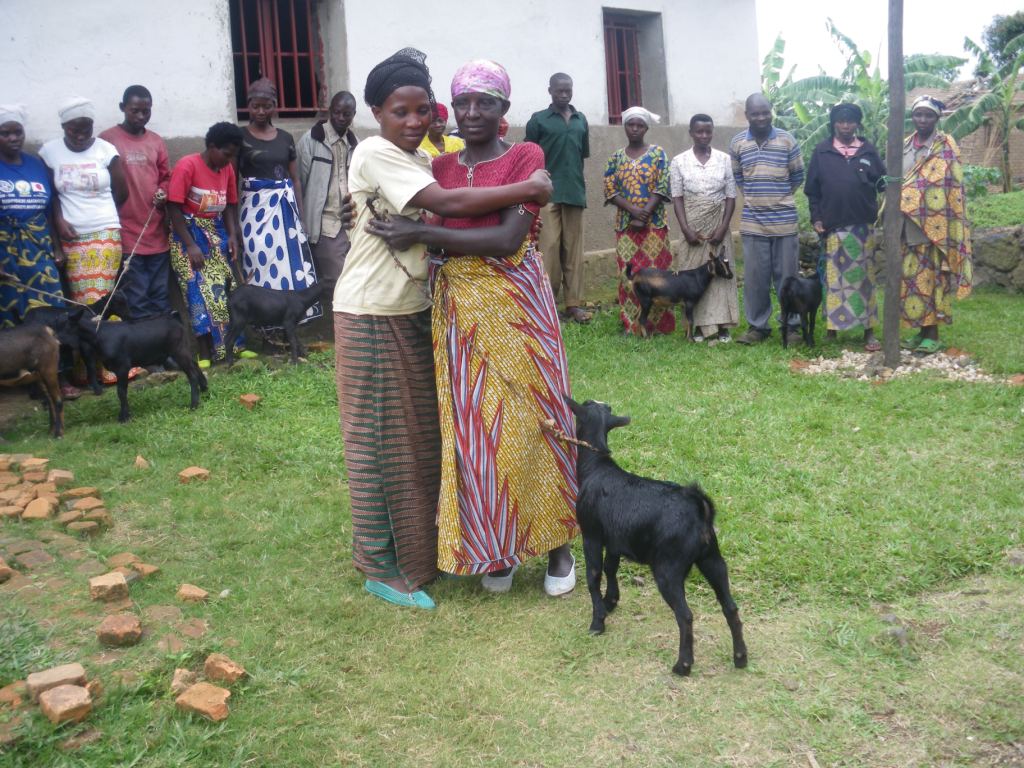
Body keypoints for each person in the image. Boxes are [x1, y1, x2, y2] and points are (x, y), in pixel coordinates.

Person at [333, 47, 551, 610]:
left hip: (415, 309)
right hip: (371, 309)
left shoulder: (426, 157)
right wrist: (529, 189)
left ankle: (423, 556)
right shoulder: (380, 153)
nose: (413, 122)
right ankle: (385, 568)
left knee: (422, 439)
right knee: (381, 441)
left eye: (422, 111)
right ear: (376, 113)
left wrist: (425, 234)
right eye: (399, 111)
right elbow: (450, 203)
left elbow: (456, 219)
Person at [39, 97, 128, 385]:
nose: (80, 135)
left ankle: (109, 364)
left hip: (104, 232)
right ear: (63, 127)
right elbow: (49, 197)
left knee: (98, 300)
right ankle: (84, 368)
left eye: (86, 128)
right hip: (71, 237)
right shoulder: (50, 152)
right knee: (80, 304)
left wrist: (99, 216)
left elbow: (121, 191)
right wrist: (60, 221)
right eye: (73, 130)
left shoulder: (106, 150)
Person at [0, 105, 80, 397]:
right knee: (10, 315)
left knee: (51, 312)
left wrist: (57, 247)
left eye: (17, 132)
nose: (12, 138)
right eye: (5, 133)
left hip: (37, 245)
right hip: (5, 249)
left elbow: (50, 209)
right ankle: (18, 381)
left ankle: (57, 377)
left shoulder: (35, 165)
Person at [804, 103, 886, 352]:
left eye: (851, 121)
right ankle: (832, 331)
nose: (846, 125)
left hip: (862, 227)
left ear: (857, 123)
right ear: (833, 124)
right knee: (835, 280)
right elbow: (813, 192)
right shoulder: (822, 152)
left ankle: (868, 332)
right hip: (833, 227)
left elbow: (883, 183)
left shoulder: (868, 151)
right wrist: (817, 218)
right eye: (840, 121)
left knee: (864, 279)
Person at [238, 78, 320, 327]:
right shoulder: (239, 137)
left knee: (285, 266)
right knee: (259, 264)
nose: (261, 112)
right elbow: (233, 181)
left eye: (266, 106)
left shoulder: (285, 138)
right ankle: (264, 330)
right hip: (254, 213)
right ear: (248, 106)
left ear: (274, 106)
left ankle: (286, 327)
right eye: (255, 106)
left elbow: (295, 179)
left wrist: (300, 217)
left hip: (284, 214)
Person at [166, 122, 247, 367]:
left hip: (216, 234)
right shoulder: (187, 165)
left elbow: (231, 204)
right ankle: (204, 353)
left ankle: (232, 347)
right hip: (187, 237)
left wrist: (232, 236)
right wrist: (190, 245)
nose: (229, 160)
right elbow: (173, 206)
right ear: (212, 147)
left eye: (233, 155)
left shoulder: (227, 170)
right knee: (197, 293)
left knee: (224, 289)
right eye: (226, 154)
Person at [898, 95, 972, 355]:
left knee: (932, 279)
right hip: (907, 225)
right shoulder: (905, 145)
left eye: (928, 115)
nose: (922, 119)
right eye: (918, 114)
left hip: (935, 228)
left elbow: (951, 184)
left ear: (937, 118)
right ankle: (921, 330)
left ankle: (933, 334)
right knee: (912, 281)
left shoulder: (945, 145)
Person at [729, 93, 804, 344]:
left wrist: (778, 199)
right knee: (755, 279)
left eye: (765, 112)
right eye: (755, 113)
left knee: (788, 279)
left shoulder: (786, 139)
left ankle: (792, 326)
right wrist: (756, 199)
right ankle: (757, 327)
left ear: (771, 111)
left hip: (784, 222)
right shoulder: (738, 143)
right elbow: (739, 178)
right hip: (752, 223)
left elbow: (797, 176)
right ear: (747, 115)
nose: (761, 117)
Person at [99, 85, 172, 319]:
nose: (141, 116)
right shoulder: (107, 140)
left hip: (156, 232)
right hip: (127, 233)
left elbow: (166, 177)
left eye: (146, 111)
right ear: (123, 108)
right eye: (135, 111)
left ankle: (163, 346)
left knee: (160, 294)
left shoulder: (156, 141)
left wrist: (163, 192)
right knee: (136, 296)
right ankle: (144, 349)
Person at [525, 72, 591, 323]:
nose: (564, 94)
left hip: (574, 191)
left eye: (568, 90)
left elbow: (581, 154)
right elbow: (529, 157)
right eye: (559, 90)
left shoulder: (580, 119)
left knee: (574, 251)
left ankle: (574, 304)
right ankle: (548, 305)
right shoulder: (538, 120)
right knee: (549, 250)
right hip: (547, 195)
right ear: (550, 91)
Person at [603, 106, 673, 335]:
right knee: (629, 275)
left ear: (646, 128)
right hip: (626, 226)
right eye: (630, 124)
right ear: (625, 127)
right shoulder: (615, 157)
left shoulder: (658, 154)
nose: (635, 129)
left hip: (655, 226)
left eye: (639, 125)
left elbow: (663, 185)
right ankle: (631, 324)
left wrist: (645, 214)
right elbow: (610, 189)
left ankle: (659, 324)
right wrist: (634, 211)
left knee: (658, 275)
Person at [670, 114, 739, 343]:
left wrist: (723, 227)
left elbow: (730, 196)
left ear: (712, 132)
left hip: (717, 226)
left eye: (708, 131)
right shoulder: (679, 161)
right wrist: (686, 229)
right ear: (691, 132)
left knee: (720, 275)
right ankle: (698, 326)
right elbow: (677, 197)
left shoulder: (724, 160)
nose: (704, 136)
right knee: (692, 276)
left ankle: (722, 326)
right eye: (699, 131)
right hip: (692, 227)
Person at [296, 90, 358, 286]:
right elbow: (300, 182)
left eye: (346, 114)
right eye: (337, 112)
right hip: (323, 225)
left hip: (350, 225)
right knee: (340, 282)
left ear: (353, 115)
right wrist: (303, 223)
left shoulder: (356, 145)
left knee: (355, 278)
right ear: (330, 111)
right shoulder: (312, 140)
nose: (341, 118)